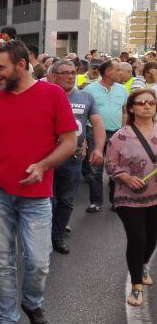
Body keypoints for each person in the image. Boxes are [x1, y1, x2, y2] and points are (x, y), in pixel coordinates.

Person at [0, 40, 77, 324]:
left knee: (38, 262)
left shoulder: (53, 94)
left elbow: (69, 142)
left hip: (37, 196)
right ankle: (7, 323)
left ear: (20, 65)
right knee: (2, 261)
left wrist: (43, 165)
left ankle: (32, 303)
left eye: (0, 68)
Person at [105, 89, 157, 306]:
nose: (147, 106)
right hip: (128, 198)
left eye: (151, 102)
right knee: (138, 238)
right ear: (132, 108)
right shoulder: (120, 136)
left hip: (155, 196)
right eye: (141, 102)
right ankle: (136, 286)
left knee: (152, 237)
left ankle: (144, 264)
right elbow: (110, 165)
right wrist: (125, 177)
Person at [48, 60, 105, 254]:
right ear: (54, 76)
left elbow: (97, 124)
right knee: (48, 199)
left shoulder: (86, 96)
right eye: (65, 72)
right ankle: (46, 232)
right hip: (47, 158)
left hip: (73, 158)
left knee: (66, 199)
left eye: (73, 72)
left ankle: (57, 236)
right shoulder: (45, 95)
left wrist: (99, 148)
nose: (71, 76)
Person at [85, 59, 128, 213]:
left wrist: (125, 130)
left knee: (116, 168)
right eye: (118, 70)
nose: (121, 73)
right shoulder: (89, 90)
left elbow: (125, 111)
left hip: (116, 133)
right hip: (94, 133)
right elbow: (84, 115)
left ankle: (116, 201)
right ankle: (96, 202)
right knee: (95, 169)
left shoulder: (122, 89)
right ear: (108, 72)